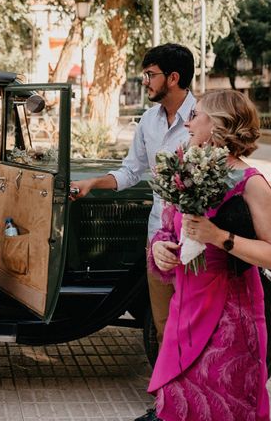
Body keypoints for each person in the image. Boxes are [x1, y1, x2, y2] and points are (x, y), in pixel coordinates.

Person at [140, 90, 271, 421]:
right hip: (185, 312)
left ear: (218, 124)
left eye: (195, 115)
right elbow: (169, 229)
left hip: (230, 324)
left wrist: (219, 237)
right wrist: (161, 248)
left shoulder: (252, 184)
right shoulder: (188, 172)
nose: (188, 122)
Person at [70, 43, 195, 344]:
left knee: (197, 320)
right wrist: (93, 183)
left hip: (196, 239)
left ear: (173, 78)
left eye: (150, 75)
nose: (145, 82)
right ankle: (173, 388)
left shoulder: (203, 118)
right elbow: (130, 171)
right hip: (159, 236)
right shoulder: (148, 121)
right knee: (164, 323)